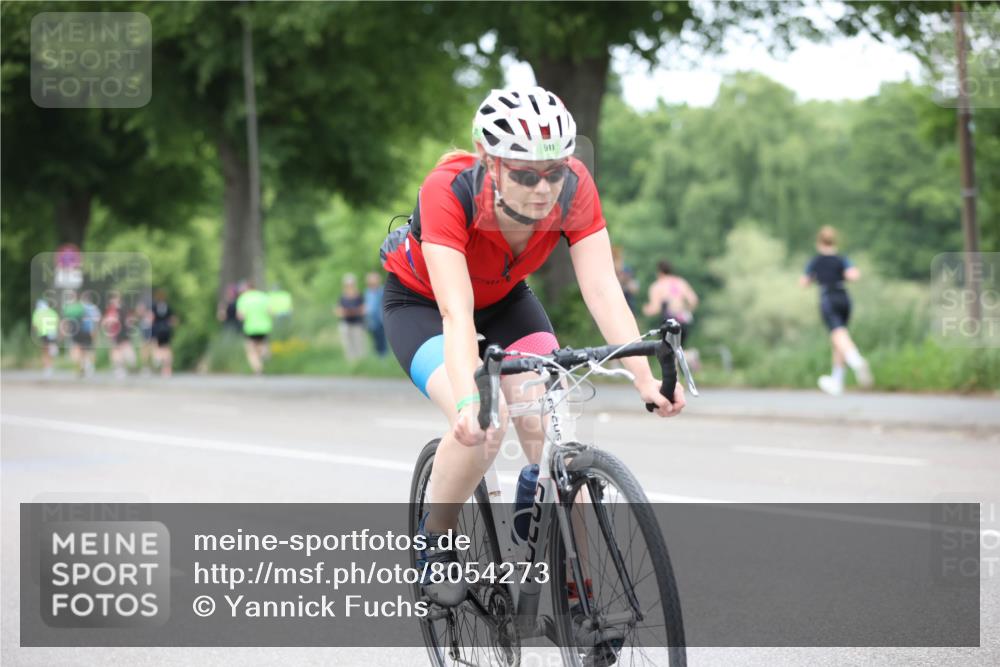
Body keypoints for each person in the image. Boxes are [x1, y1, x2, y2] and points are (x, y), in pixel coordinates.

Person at [378, 86, 685, 607]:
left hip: (506, 301)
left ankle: (575, 585)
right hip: (425, 306)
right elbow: (456, 311)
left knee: (550, 425)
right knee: (485, 425)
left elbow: (603, 288)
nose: (543, 190)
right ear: (489, 163)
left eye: (555, 172)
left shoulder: (575, 188)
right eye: (523, 174)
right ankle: (437, 538)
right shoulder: (448, 190)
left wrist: (642, 378)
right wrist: (471, 399)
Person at [800, 225, 873, 395]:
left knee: (838, 334)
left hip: (828, 298)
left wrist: (813, 278)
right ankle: (837, 381)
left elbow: (803, 282)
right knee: (838, 339)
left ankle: (857, 361)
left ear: (819, 242)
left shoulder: (816, 261)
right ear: (835, 242)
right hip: (844, 297)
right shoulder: (841, 259)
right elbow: (854, 275)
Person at [235, 280, 273, 375]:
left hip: (250, 327)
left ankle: (258, 369)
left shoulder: (243, 298)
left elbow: (240, 316)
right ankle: (264, 353)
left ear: (246, 288)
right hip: (264, 326)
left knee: (251, 350)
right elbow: (270, 312)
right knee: (260, 345)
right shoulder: (264, 296)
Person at [102, 293, 135, 378]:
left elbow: (128, 320)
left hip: (120, 332)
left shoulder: (118, 309)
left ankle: (124, 365)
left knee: (120, 350)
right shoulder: (114, 309)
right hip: (117, 332)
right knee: (118, 350)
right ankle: (121, 367)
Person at [335, 273, 367, 362]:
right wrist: (348, 312)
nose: (349, 286)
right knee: (348, 344)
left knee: (359, 343)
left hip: (357, 323)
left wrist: (352, 311)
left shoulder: (359, 296)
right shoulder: (342, 297)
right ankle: (351, 363)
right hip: (346, 323)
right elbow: (338, 311)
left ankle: (361, 362)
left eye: (351, 284)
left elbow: (364, 309)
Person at [150, 289, 177, 378]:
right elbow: (173, 320)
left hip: (158, 330)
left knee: (158, 348)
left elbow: (151, 319)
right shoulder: (168, 307)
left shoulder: (154, 307)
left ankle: (159, 361)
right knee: (167, 349)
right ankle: (167, 369)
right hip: (166, 330)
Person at [31, 298, 59, 377]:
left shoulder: (37, 313)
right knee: (49, 351)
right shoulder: (52, 312)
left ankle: (47, 368)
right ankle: (50, 365)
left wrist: (35, 333)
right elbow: (57, 323)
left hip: (43, 334)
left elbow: (35, 325)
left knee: (45, 352)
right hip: (53, 333)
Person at [364, 272, 387, 357]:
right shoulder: (367, 292)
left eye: (374, 280)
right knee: (375, 339)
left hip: (381, 319)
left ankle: (384, 357)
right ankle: (378, 357)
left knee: (382, 339)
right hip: (371, 320)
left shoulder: (382, 290)